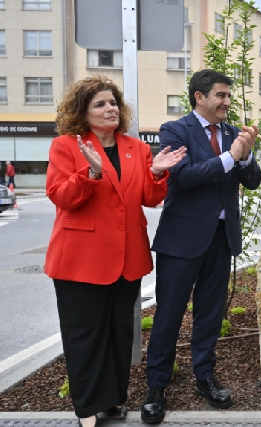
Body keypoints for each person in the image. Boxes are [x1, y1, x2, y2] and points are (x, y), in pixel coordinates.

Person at [44, 75, 186, 427]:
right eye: (100, 104)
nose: (110, 109)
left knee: (119, 333)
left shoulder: (135, 148)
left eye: (113, 103)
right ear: (82, 112)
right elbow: (61, 196)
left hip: (126, 257)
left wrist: (155, 173)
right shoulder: (66, 146)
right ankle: (88, 406)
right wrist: (90, 173)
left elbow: (150, 200)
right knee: (86, 335)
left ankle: (112, 401)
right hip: (80, 258)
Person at [142, 69, 261, 423]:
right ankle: (157, 385)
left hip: (221, 240)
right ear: (199, 97)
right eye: (221, 96)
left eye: (228, 96)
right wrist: (230, 157)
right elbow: (185, 176)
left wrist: (247, 156)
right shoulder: (175, 130)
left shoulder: (232, 133)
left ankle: (204, 376)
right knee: (169, 315)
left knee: (209, 314)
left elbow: (252, 182)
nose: (227, 102)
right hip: (181, 241)